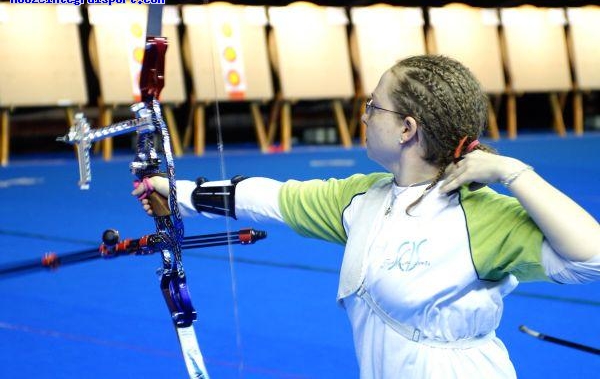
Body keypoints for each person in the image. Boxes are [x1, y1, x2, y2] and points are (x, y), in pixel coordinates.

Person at [133, 55, 600, 378]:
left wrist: (514, 173)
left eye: (373, 106)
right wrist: (176, 192)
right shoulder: (363, 198)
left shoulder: (481, 215)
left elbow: (591, 258)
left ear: (406, 129)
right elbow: (268, 197)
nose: (364, 114)